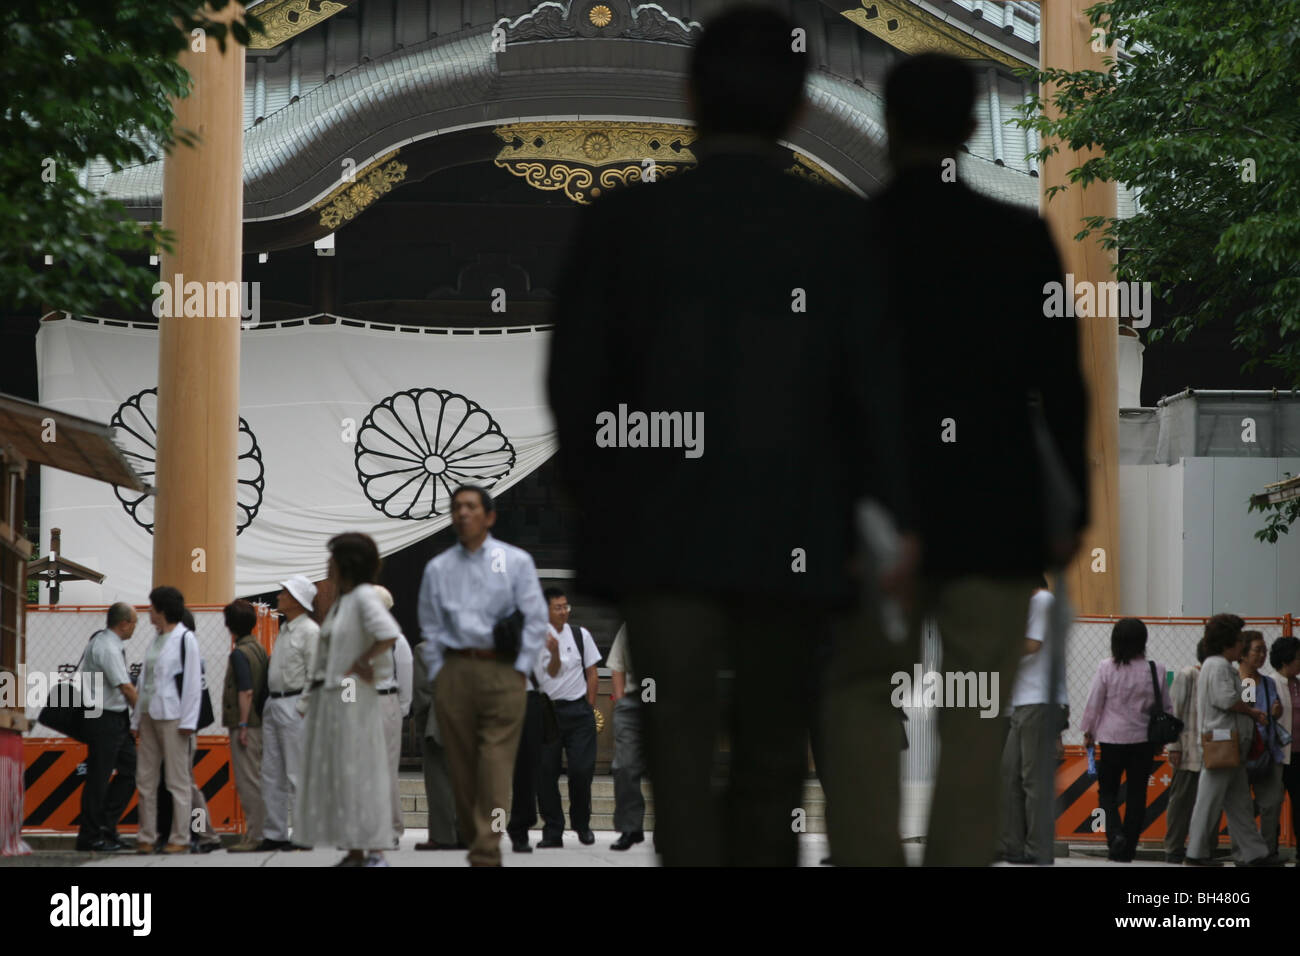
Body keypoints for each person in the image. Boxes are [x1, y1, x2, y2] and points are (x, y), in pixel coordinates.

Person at [548, 5, 910, 867]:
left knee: (677, 757)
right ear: (798, 109)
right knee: (774, 758)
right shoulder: (841, 231)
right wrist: (877, 517)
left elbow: (576, 389)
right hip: (795, 541)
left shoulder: (623, 224)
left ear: (689, 98)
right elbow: (878, 396)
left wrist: (604, 509)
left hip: (664, 542)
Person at [826, 52, 1089, 868]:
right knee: (977, 718)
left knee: (861, 695)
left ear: (887, 125)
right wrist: (1070, 507)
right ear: (974, 128)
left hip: (868, 520)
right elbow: (1064, 387)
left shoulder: (847, 238)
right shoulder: (1018, 235)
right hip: (994, 514)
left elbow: (825, 395)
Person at [417, 485, 548, 867]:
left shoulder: (515, 561)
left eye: (471, 507)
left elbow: (536, 619)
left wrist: (521, 668)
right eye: (457, 507)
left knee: (494, 762)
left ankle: (487, 849)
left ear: (488, 516)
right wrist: (441, 673)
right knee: (460, 766)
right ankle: (476, 838)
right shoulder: (438, 567)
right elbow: (430, 623)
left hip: (503, 670)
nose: (462, 513)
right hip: (455, 670)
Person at [295, 533, 403, 867]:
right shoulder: (344, 602)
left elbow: (387, 633)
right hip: (338, 699)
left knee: (360, 771)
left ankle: (374, 851)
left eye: (332, 559)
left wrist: (362, 662)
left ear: (346, 563)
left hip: (352, 699)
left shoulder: (362, 598)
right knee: (346, 772)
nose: (328, 565)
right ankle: (356, 849)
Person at [1184, 614, 1276, 866]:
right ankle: (1196, 853)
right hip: (1222, 743)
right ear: (1227, 642)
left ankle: (1253, 853)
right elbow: (1225, 700)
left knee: (1240, 804)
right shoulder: (1219, 666)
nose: (1241, 647)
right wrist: (1252, 711)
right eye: (1238, 641)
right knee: (1209, 800)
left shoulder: (1215, 665)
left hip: (1228, 746)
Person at [1080, 618, 1173, 862]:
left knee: (1107, 792)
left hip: (1111, 739)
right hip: (1143, 740)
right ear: (1143, 641)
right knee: (1137, 794)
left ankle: (1114, 836)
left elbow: (1094, 703)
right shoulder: (1156, 669)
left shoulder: (1106, 667)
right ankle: (1128, 848)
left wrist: (1088, 731)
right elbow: (1166, 706)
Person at [998, 578, 1068, 864]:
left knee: (1032, 780)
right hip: (1023, 703)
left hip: (1039, 701)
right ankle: (1013, 846)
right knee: (1009, 774)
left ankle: (1038, 849)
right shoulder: (1031, 606)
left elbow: (1032, 644)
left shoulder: (1042, 600)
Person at [132, 586, 201, 854]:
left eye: (152, 606)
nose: (148, 611)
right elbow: (144, 681)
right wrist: (136, 718)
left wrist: (189, 720)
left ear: (161, 609)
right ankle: (147, 836)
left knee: (177, 780)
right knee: (145, 778)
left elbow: (192, 684)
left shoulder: (185, 639)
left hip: (174, 717)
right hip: (150, 714)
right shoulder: (156, 638)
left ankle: (179, 837)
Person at [533, 587, 600, 848]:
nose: (564, 612)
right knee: (545, 774)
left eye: (566, 607)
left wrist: (589, 707)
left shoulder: (580, 634)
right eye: (558, 607)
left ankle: (582, 824)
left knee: (582, 771)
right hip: (547, 713)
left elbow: (592, 672)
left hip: (578, 712)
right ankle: (553, 830)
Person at [75, 602, 139, 852]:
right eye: (134, 623)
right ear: (123, 623)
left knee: (131, 769)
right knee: (98, 778)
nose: (135, 628)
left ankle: (106, 828)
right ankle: (90, 835)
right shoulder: (107, 647)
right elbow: (125, 686)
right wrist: (143, 717)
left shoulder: (108, 643)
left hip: (115, 717)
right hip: (103, 717)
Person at [261, 575, 319, 850]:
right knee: (272, 771)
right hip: (275, 702)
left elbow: (317, 673)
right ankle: (275, 833)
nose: (280, 596)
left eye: (285, 592)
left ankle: (304, 834)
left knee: (297, 772)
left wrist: (303, 706)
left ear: (296, 600)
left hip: (295, 703)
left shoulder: (310, 631)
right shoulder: (287, 629)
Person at [222, 599, 269, 853]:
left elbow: (246, 691)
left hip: (247, 724)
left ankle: (255, 835)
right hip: (260, 722)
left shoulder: (240, 652)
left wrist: (241, 723)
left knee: (247, 781)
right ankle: (260, 831)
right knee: (257, 778)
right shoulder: (259, 648)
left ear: (231, 625)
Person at [411, 634, 461, 851]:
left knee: (439, 780)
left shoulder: (425, 650)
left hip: (439, 721)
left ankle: (443, 836)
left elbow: (422, 693)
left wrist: (423, 725)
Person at [372, 585, 413, 848]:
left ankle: (390, 828)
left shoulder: (395, 639)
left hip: (385, 701)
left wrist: (402, 707)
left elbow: (405, 672)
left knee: (385, 768)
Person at [1239, 630, 1285, 859]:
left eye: (1264, 651)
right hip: (1246, 752)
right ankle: (1247, 852)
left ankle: (1268, 851)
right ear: (1244, 653)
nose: (1262, 655)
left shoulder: (1268, 683)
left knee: (1272, 804)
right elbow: (1249, 717)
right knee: (1243, 807)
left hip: (1267, 751)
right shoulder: (1245, 681)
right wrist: (1267, 714)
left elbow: (1270, 713)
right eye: (1257, 650)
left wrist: (1276, 713)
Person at [1164, 638, 1208, 864]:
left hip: (1212, 753)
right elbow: (1175, 711)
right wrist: (1174, 746)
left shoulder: (1221, 677)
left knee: (1206, 804)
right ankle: (1174, 848)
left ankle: (1199, 850)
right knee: (1181, 801)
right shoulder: (1188, 675)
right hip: (1188, 751)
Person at [607, 623, 646, 851]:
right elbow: (617, 666)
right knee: (624, 765)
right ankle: (630, 827)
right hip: (632, 701)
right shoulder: (630, 625)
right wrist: (621, 701)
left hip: (669, 703)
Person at [1267, 635, 1300, 862]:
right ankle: (1270, 850)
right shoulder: (1269, 683)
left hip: (1298, 755)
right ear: (1286, 660)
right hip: (1277, 755)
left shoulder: (1298, 684)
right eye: (1298, 657)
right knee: (1272, 804)